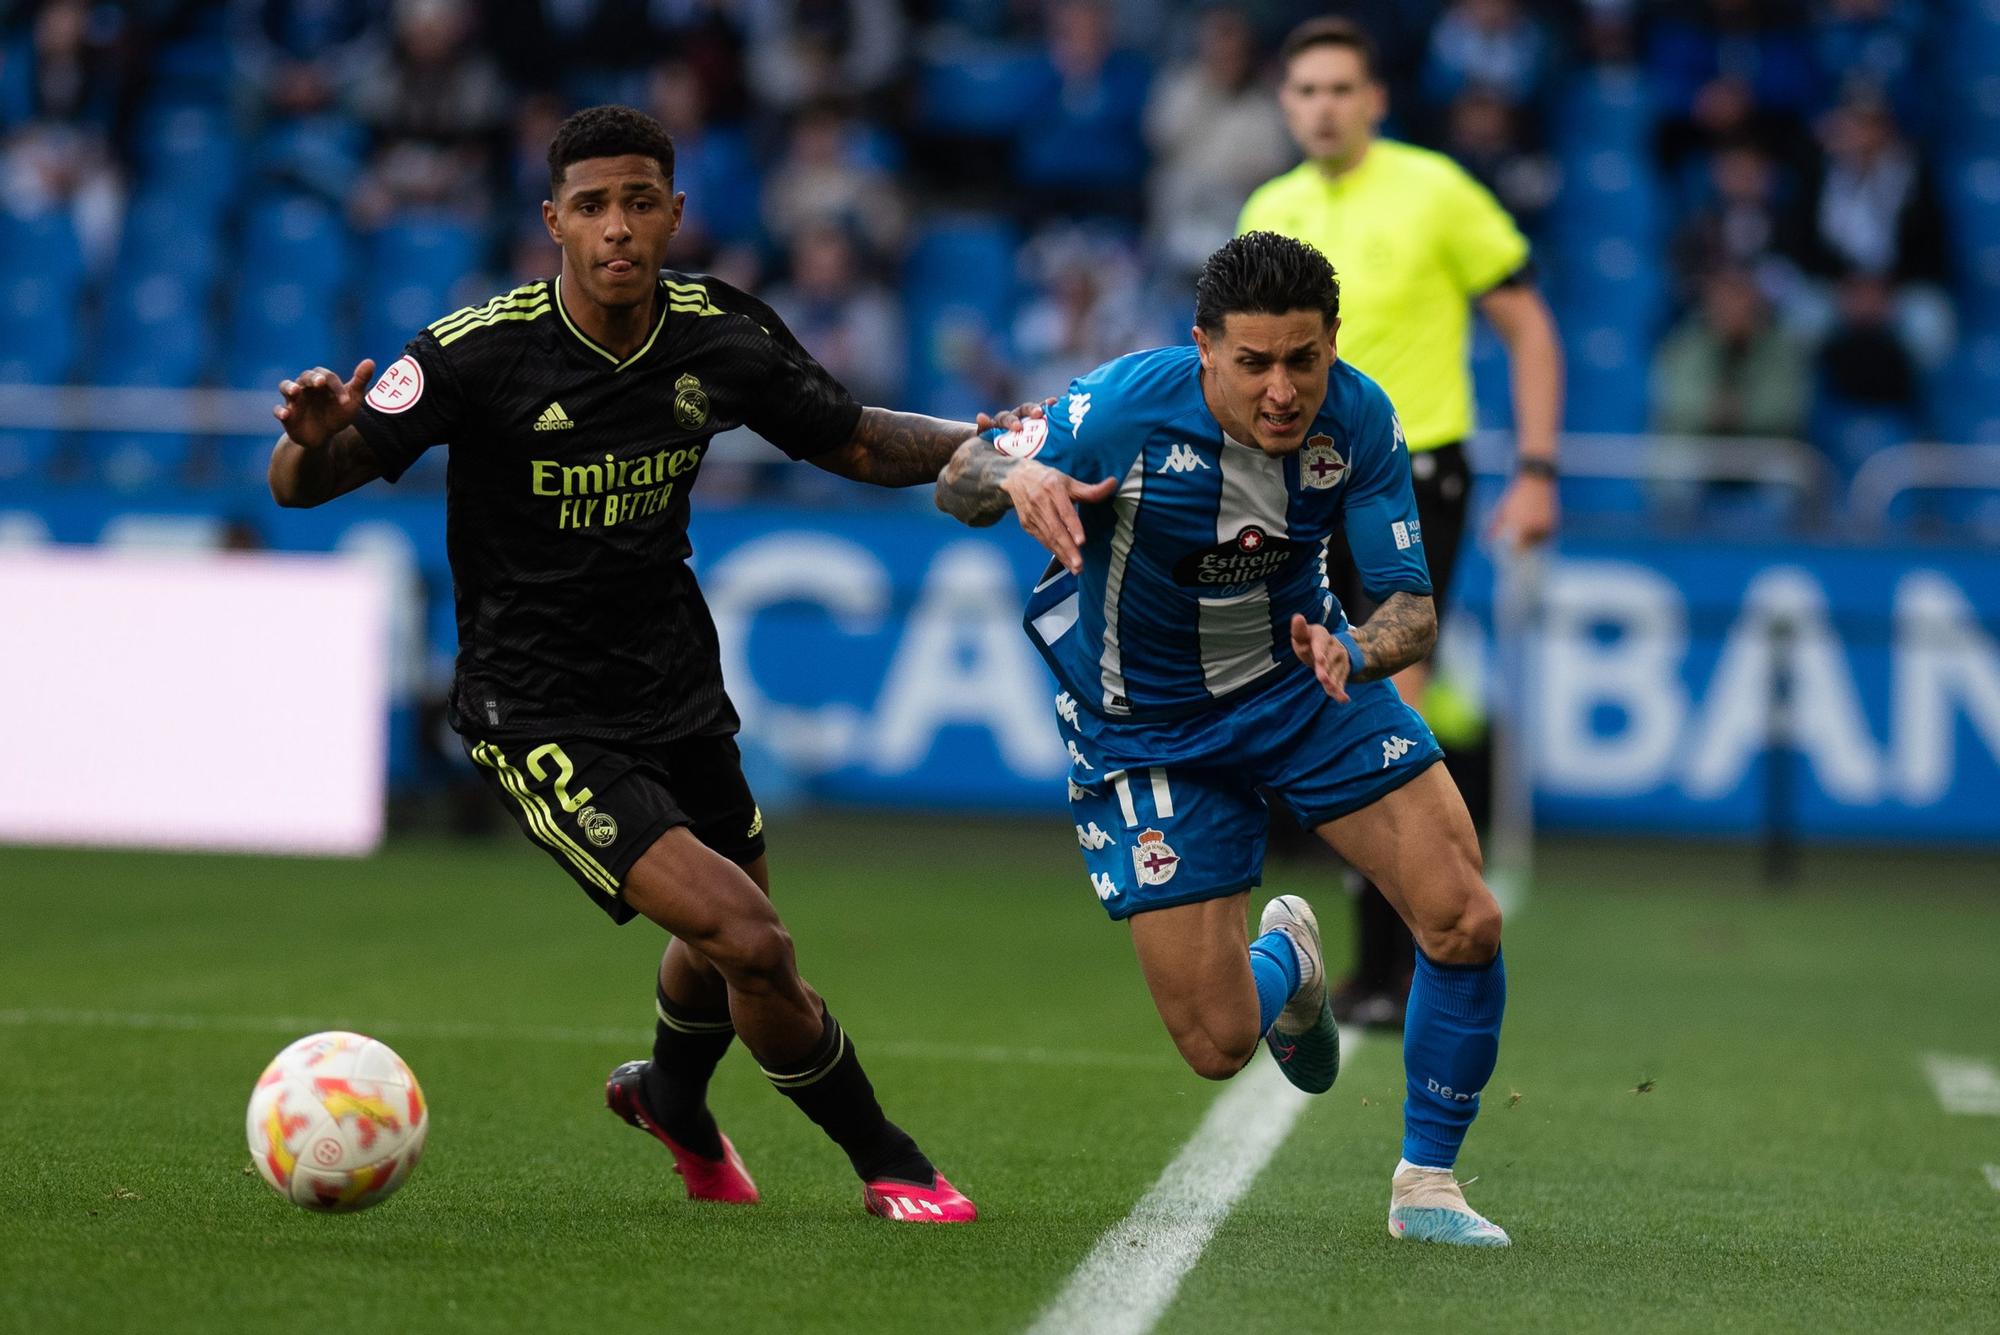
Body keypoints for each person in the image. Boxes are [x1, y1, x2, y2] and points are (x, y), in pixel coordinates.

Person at [267, 104, 987, 1223]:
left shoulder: (719, 334)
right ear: (552, 219)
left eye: (638, 203)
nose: (617, 228)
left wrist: (992, 441)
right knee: (750, 937)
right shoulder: (475, 351)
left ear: (674, 215)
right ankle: (890, 1163)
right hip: (537, 709)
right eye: (592, 206)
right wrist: (306, 439)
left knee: (715, 945)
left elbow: (850, 438)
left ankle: (670, 1100)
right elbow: (304, 483)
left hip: (673, 682)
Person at [936, 231, 1511, 1247]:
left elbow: (1410, 612)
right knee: (1214, 1044)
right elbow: (962, 475)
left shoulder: (1361, 418)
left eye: (1302, 358)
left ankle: (1427, 1182)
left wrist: (1355, 655)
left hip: (1301, 684)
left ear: (1331, 342)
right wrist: (1013, 479)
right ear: (1202, 349)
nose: (1282, 389)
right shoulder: (1119, 407)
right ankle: (1285, 965)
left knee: (1463, 917)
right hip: (1143, 724)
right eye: (1252, 363)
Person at [1236, 17, 1562, 1031]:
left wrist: (1539, 470)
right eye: (1304, 91)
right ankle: (1375, 950)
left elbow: (1528, 328)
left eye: (1340, 88)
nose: (1322, 106)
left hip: (1412, 472)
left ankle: (1389, 965)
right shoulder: (1270, 206)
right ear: (1284, 105)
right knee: (1300, 693)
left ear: (1374, 99)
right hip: (1292, 484)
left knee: (1378, 688)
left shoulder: (1436, 191)